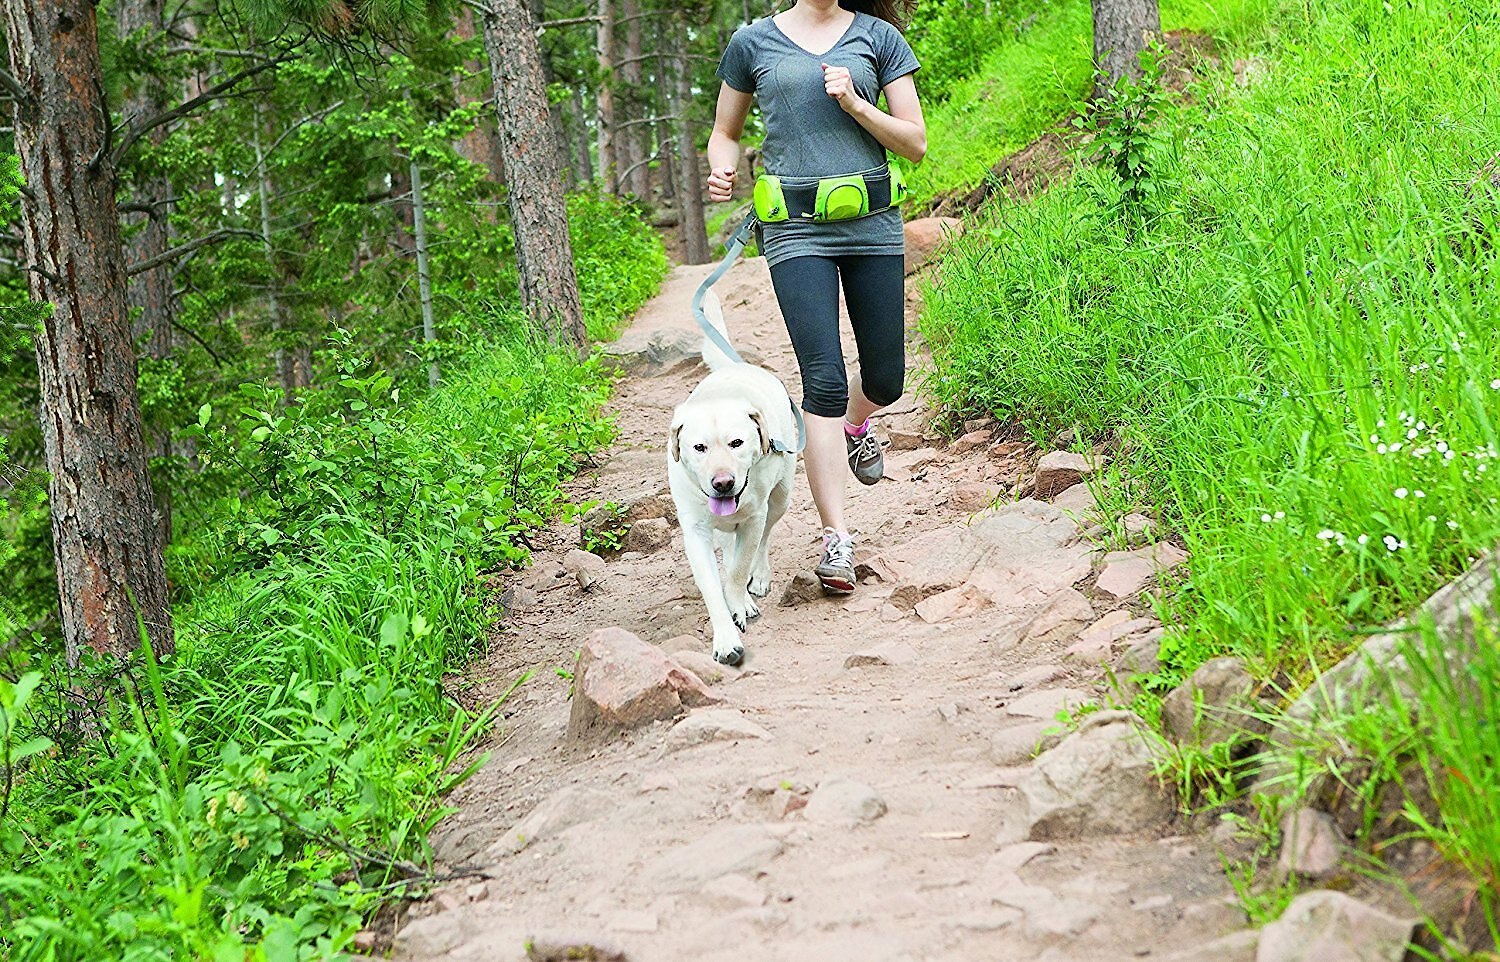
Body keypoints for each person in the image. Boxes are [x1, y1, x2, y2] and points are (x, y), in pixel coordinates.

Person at [706, 0, 926, 594]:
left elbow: (915, 143)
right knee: (822, 378)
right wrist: (722, 169)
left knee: (886, 379)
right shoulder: (753, 43)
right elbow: (724, 133)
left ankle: (858, 423)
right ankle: (837, 541)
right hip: (794, 229)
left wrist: (857, 104)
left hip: (873, 222)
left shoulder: (878, 38)